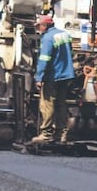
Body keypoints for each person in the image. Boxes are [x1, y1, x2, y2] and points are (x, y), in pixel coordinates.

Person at [31, 14, 74, 144]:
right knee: (61, 104)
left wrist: (39, 77)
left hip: (53, 76)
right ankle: (61, 134)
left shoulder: (48, 38)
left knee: (47, 104)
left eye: (39, 26)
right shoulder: (65, 35)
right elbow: (70, 53)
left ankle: (46, 134)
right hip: (66, 75)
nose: (38, 29)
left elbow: (44, 59)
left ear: (45, 25)